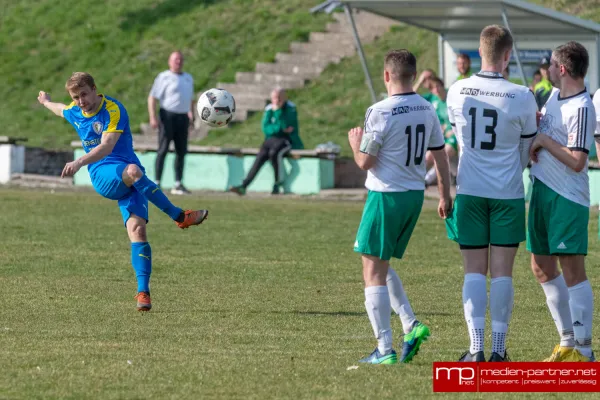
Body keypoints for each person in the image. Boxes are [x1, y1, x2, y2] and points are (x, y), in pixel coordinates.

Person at [38, 72, 208, 312]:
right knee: (134, 171)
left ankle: (143, 293)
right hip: (104, 174)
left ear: (95, 89)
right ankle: (180, 217)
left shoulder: (113, 109)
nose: (80, 101)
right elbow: (60, 109)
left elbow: (107, 146)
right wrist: (45, 102)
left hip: (128, 174)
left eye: (84, 94)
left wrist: (78, 161)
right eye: (75, 97)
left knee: (138, 231)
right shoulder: (75, 111)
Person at [350, 49, 452, 365]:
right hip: (413, 194)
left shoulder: (378, 111)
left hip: (386, 195)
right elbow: (440, 154)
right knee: (379, 263)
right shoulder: (427, 108)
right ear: (413, 74)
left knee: (371, 267)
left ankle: (384, 350)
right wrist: (445, 195)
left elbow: (365, 162)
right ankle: (411, 325)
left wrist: (355, 143)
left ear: (386, 75)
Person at [445, 25, 538, 362]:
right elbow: (526, 149)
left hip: (470, 190)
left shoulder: (457, 90)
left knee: (473, 270)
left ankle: (475, 350)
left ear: (478, 52)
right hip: (508, 193)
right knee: (502, 272)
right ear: (508, 55)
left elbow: (458, 139)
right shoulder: (522, 96)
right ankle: (498, 351)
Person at [528, 41, 596, 362]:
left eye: (552, 66)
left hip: (568, 199)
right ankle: (567, 339)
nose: (548, 70)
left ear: (563, 69)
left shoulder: (582, 106)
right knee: (541, 267)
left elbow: (578, 160)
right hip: (540, 192)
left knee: (572, 271)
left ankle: (585, 349)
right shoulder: (554, 96)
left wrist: (543, 139)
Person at [229, 88, 302, 195]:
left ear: (284, 98)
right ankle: (244, 186)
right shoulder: (268, 109)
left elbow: (286, 127)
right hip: (270, 140)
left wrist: (278, 112)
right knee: (260, 157)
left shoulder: (290, 108)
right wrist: (278, 129)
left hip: (287, 140)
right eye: (274, 98)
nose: (276, 101)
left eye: (278, 98)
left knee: (274, 153)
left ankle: (277, 183)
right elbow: (266, 128)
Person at [148, 51, 195, 195]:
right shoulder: (164, 77)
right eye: (175, 59)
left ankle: (178, 183)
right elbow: (152, 97)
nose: (178, 62)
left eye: (180, 59)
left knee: (181, 151)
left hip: (183, 117)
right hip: (167, 116)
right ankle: (156, 183)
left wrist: (191, 114)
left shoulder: (188, 78)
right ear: (169, 61)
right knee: (163, 149)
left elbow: (190, 99)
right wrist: (153, 117)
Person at [422, 77, 458, 187]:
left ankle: (427, 180)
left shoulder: (452, 98)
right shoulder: (434, 100)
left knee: (444, 154)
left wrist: (453, 129)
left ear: (443, 86)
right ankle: (413, 178)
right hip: (443, 136)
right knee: (428, 156)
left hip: (455, 135)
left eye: (438, 86)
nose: (436, 89)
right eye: (433, 88)